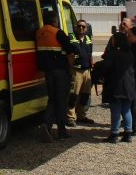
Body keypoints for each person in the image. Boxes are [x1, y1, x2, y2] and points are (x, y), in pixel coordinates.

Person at [35, 9, 77, 143]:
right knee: (61, 101)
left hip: (48, 72)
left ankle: (46, 126)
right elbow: (70, 52)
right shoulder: (58, 33)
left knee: (52, 99)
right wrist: (71, 69)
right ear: (55, 20)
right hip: (60, 72)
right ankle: (61, 131)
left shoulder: (39, 33)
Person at [100, 32, 136, 143]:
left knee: (115, 110)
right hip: (129, 85)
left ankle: (114, 134)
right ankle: (128, 133)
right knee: (126, 109)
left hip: (116, 85)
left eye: (113, 39)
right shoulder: (130, 53)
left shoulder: (113, 53)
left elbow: (106, 67)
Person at [67, 20, 94, 126]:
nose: (81, 28)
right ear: (75, 27)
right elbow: (68, 55)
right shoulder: (71, 38)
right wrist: (70, 69)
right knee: (73, 95)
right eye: (79, 26)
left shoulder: (88, 39)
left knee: (85, 95)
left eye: (83, 27)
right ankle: (70, 118)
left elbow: (90, 54)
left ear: (86, 28)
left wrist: (91, 66)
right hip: (76, 71)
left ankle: (81, 116)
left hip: (87, 71)